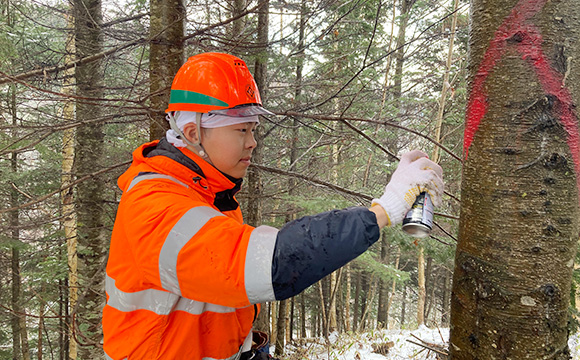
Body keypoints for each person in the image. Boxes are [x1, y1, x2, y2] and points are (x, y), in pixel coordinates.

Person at [102, 52, 444, 360]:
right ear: (193, 132)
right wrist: (383, 210)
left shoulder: (208, 193)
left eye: (253, 129)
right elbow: (268, 263)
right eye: (241, 130)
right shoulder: (156, 204)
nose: (252, 142)